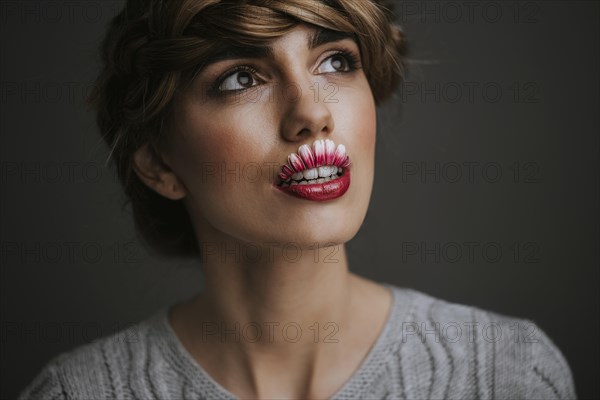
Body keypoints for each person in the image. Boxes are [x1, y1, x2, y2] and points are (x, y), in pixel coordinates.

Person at [18, 1, 576, 399]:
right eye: (241, 78)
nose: (311, 112)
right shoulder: (75, 392)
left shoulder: (508, 372)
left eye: (335, 61)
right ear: (160, 164)